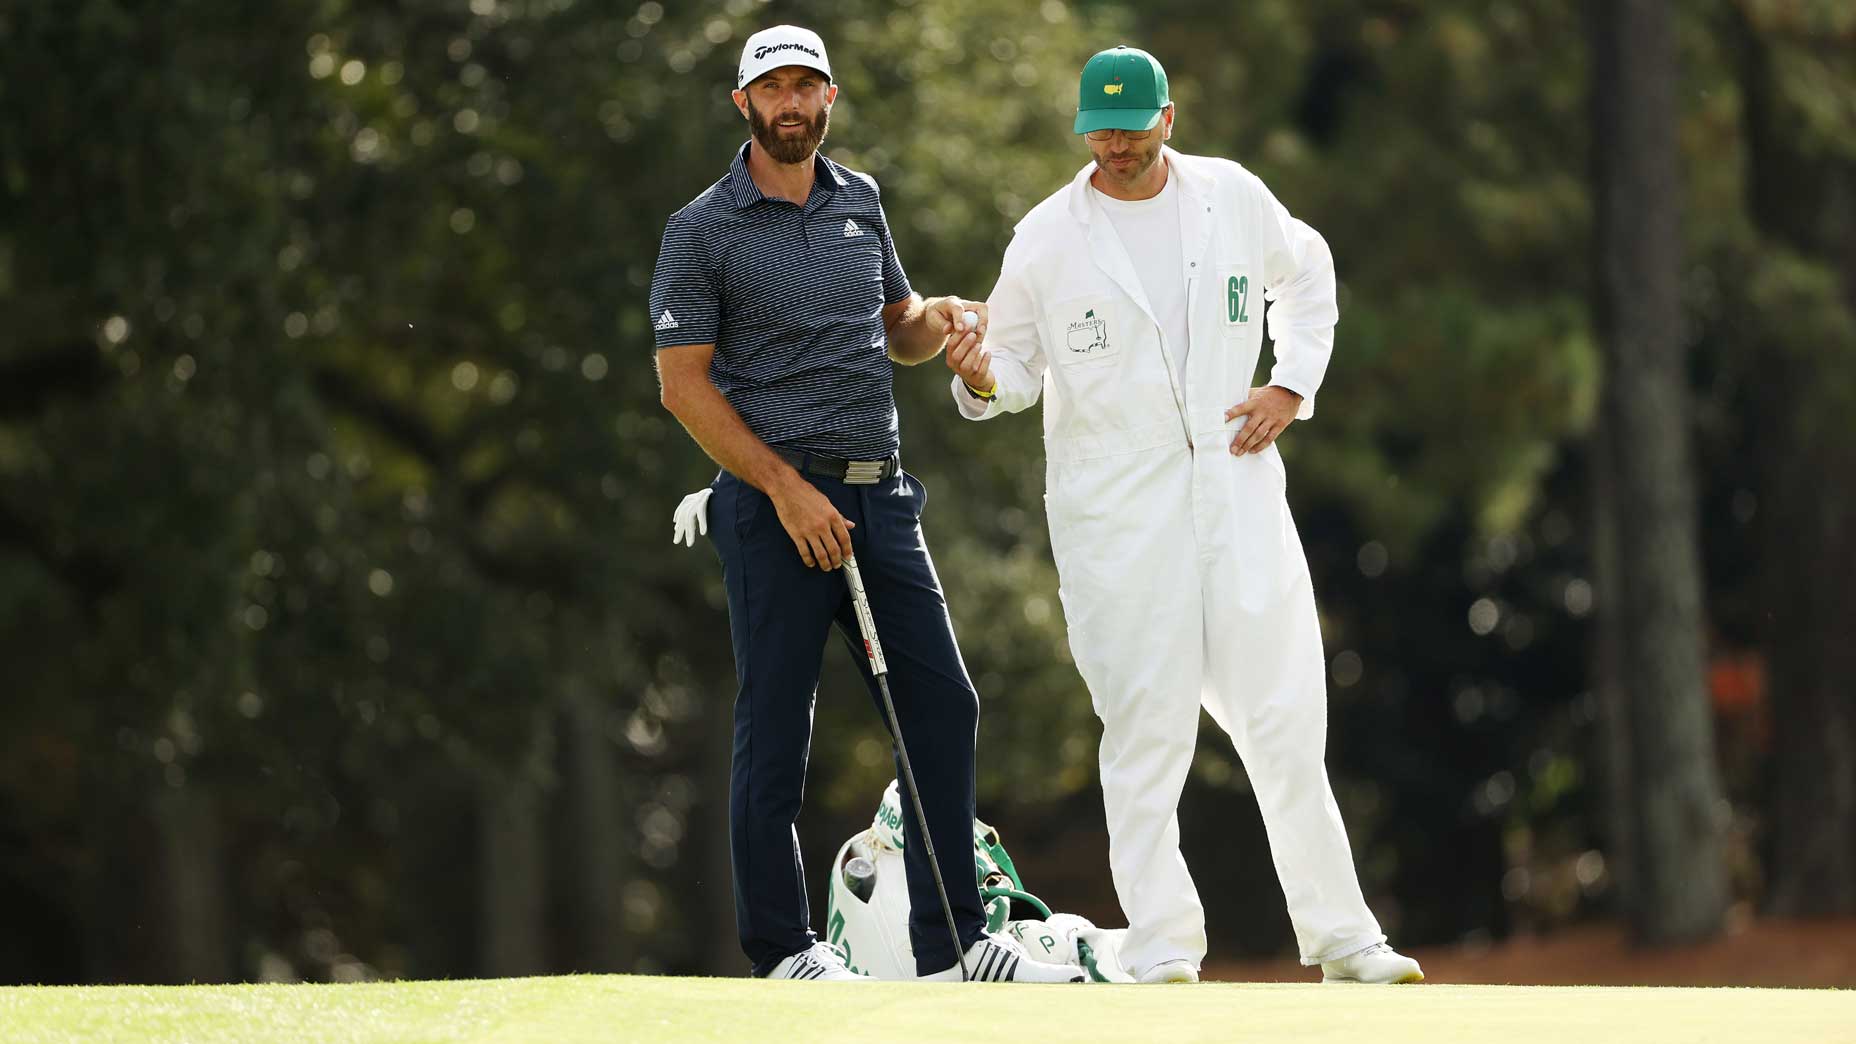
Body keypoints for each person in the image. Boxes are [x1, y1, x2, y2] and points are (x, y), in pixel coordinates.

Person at [944, 45, 1423, 986]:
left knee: (1285, 721)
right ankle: (1164, 946)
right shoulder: (1047, 236)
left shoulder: (1233, 197)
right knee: (1146, 730)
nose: (1116, 145)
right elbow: (1010, 368)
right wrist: (978, 376)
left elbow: (1310, 270)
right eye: (1101, 130)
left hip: (1237, 495)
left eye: (1133, 125)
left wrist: (1290, 383)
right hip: (1116, 518)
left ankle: (1344, 939)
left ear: (1170, 118)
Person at [649, 24, 1084, 984]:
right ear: (744, 105)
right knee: (779, 728)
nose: (792, 104)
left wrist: (946, 318)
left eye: (808, 87)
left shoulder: (861, 202)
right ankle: (784, 949)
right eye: (775, 91)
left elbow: (897, 330)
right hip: (774, 507)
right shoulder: (703, 227)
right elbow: (683, 385)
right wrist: (782, 489)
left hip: (879, 497)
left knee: (944, 704)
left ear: (830, 98)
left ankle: (957, 945)